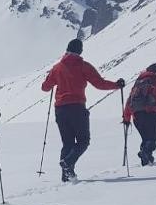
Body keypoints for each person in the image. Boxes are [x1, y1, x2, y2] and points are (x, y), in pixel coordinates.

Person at [41, 39, 125, 182]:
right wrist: (116, 85)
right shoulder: (83, 66)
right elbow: (100, 84)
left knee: (67, 143)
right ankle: (68, 164)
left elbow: (45, 87)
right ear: (80, 51)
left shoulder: (57, 67)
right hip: (77, 108)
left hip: (60, 109)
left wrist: (51, 80)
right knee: (83, 141)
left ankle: (66, 177)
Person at [122, 63, 156, 166]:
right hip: (151, 113)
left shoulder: (138, 82)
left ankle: (146, 162)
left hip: (136, 115)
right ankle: (144, 154)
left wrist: (126, 117)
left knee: (146, 139)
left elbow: (130, 100)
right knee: (152, 140)